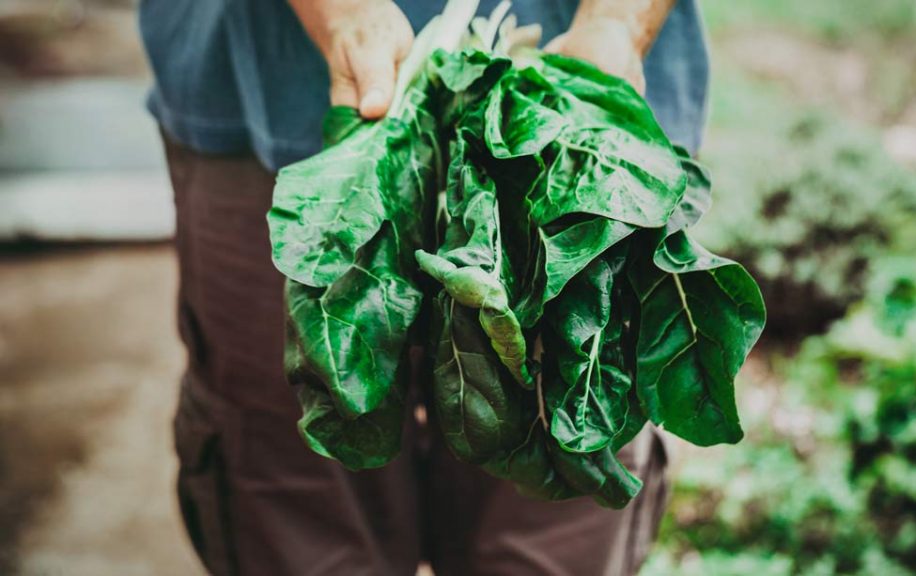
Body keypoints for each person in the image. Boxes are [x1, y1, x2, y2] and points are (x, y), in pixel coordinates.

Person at [138, 1, 709, 574]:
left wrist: (617, 22)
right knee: (302, 508)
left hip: (577, 127)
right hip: (273, 97)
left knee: (552, 516)